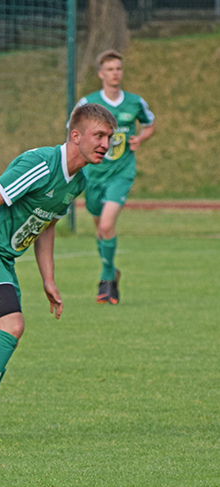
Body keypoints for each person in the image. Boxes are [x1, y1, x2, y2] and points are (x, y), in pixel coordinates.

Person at [0, 103, 117, 448]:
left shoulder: (77, 180)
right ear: (76, 135)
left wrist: (47, 279)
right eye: (98, 135)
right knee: (13, 326)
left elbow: (46, 223)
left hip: (3, 257)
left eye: (109, 137)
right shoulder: (39, 164)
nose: (105, 144)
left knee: (2, 338)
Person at [75, 49, 156, 304]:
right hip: (94, 173)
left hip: (121, 172)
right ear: (101, 74)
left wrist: (140, 137)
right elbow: (73, 131)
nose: (115, 73)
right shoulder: (88, 104)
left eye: (118, 69)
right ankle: (110, 274)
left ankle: (107, 275)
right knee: (99, 227)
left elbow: (150, 123)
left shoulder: (134, 102)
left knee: (107, 225)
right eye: (110, 69)